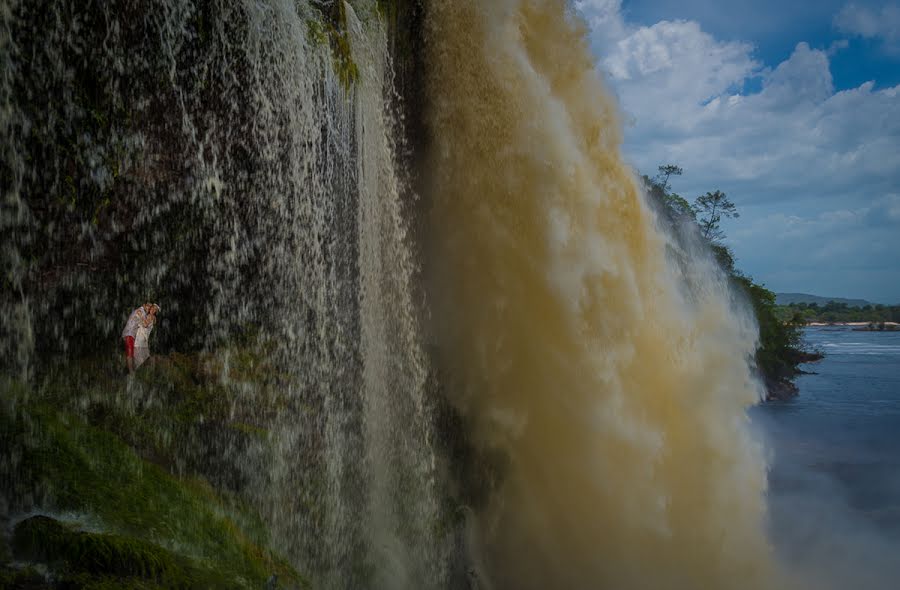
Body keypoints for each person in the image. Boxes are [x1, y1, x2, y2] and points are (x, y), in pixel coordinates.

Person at [121, 303, 159, 373]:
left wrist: (141, 317)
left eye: (154, 309)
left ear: (156, 312)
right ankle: (131, 371)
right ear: (144, 305)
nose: (151, 309)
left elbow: (145, 324)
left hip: (139, 337)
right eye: (151, 307)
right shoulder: (142, 312)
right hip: (132, 334)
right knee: (134, 354)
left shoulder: (150, 316)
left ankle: (131, 371)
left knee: (138, 355)